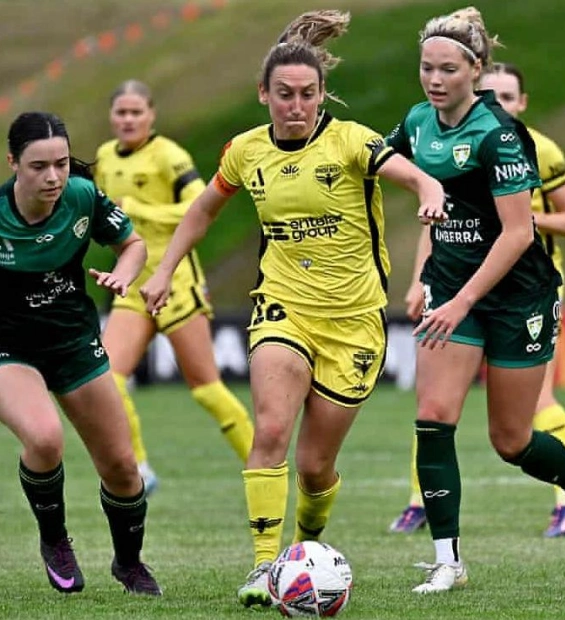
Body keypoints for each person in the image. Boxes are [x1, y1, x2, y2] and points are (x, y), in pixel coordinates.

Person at [140, 9, 446, 609]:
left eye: (308, 94)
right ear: (264, 95)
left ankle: (304, 550)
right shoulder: (245, 151)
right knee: (272, 430)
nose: (296, 105)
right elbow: (201, 211)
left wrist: (431, 190)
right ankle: (262, 566)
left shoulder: (352, 141)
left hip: (355, 323)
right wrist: (164, 269)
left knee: (314, 469)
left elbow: (411, 175)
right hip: (282, 309)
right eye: (284, 94)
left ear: (322, 94)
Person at [385, 6, 565, 593]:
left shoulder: (499, 134)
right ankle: (447, 561)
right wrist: (419, 185)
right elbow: (378, 155)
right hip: (451, 288)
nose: (434, 80)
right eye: (426, 68)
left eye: (447, 70)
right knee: (432, 419)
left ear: (474, 71)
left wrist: (462, 302)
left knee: (511, 440)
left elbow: (519, 233)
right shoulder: (417, 120)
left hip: (517, 296)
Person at [0, 111, 161, 595]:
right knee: (45, 439)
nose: (53, 177)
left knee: (122, 468)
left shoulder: (82, 196)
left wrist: (125, 274)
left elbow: (132, 244)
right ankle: (55, 540)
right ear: (13, 163)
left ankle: (128, 563)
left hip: (71, 340)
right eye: (38, 166)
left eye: (62, 164)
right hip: (9, 347)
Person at [95, 80, 255, 495]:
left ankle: (263, 464)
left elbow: (199, 205)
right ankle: (139, 470)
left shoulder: (170, 156)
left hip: (177, 285)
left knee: (206, 389)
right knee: (108, 380)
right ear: (111, 117)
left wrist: (140, 210)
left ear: (151, 115)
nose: (128, 120)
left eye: (136, 112)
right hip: (131, 285)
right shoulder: (104, 159)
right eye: (121, 112)